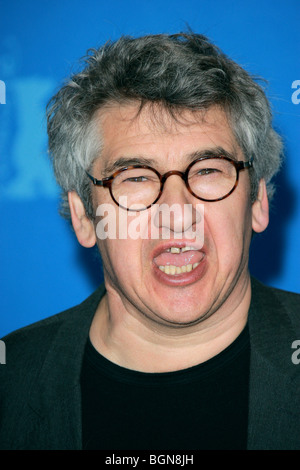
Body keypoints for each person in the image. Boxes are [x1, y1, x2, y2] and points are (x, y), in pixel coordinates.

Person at [0, 32, 299, 451]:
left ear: (258, 203)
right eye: (136, 178)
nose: (177, 214)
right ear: (85, 217)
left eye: (208, 170)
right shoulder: (10, 381)